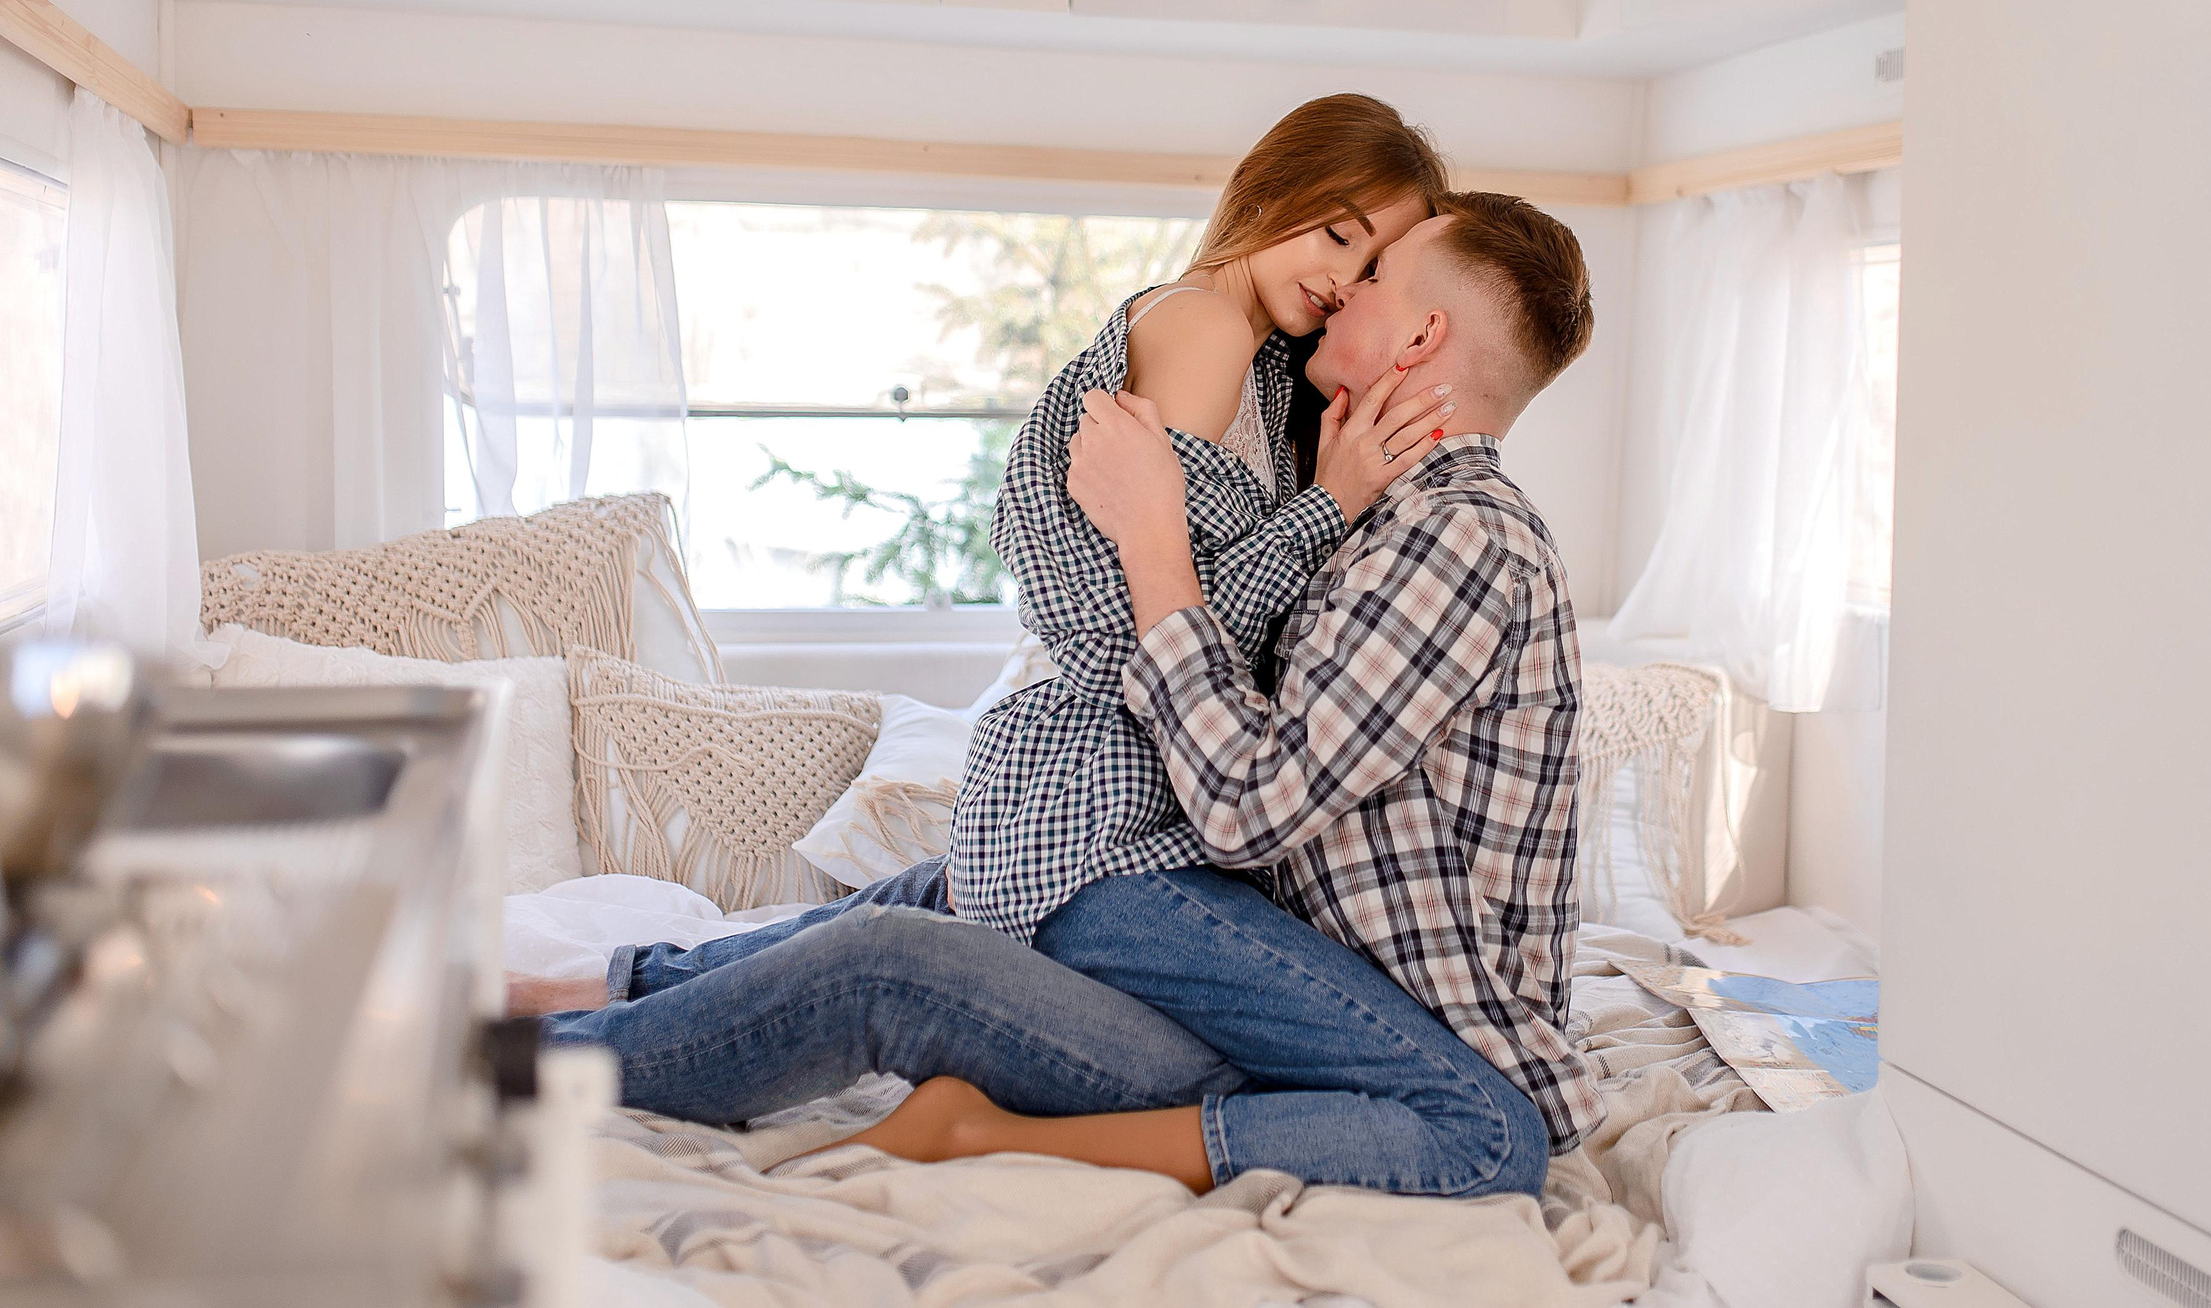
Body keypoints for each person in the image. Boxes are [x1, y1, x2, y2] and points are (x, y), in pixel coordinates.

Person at [516, 160, 1602, 1200]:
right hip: (1291, 986)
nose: (1343, 293)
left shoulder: (1456, 541)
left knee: (1485, 1133)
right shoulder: (1376, 510)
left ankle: (534, 1061)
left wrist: (1151, 538)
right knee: (970, 888)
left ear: (1420, 334)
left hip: (1402, 1028)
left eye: (1373, 277)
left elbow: (1245, 803)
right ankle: (601, 1000)